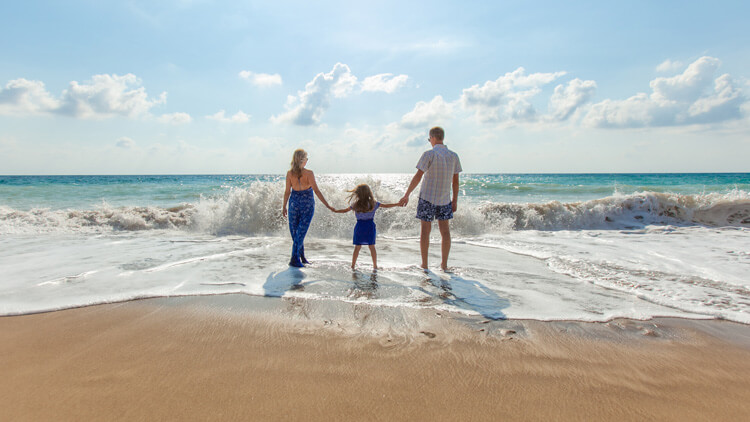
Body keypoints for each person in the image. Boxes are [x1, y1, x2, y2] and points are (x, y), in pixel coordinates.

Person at [398, 127, 462, 271]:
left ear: (432, 138)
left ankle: (425, 265)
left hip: (427, 198)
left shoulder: (429, 154)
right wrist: (455, 200)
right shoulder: (454, 156)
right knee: (445, 233)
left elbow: (418, 176)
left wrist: (407, 194)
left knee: (425, 232)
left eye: (429, 139)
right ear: (442, 138)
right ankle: (444, 265)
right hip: (445, 199)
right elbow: (455, 181)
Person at [282, 149, 334, 267]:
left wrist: (284, 206)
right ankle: (294, 259)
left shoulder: (290, 173)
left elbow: (287, 192)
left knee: (297, 232)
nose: (307, 160)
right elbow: (316, 190)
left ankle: (301, 257)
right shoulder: (308, 173)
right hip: (306, 204)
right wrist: (327, 205)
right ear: (303, 160)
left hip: (294, 203)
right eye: (306, 158)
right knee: (299, 233)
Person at [331, 184, 399, 270]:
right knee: (372, 246)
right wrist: (397, 204)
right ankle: (375, 266)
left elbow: (345, 210)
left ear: (358, 194)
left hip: (360, 226)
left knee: (357, 247)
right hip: (370, 226)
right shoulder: (373, 203)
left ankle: (353, 266)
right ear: (369, 193)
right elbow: (386, 205)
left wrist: (335, 210)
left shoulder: (355, 204)